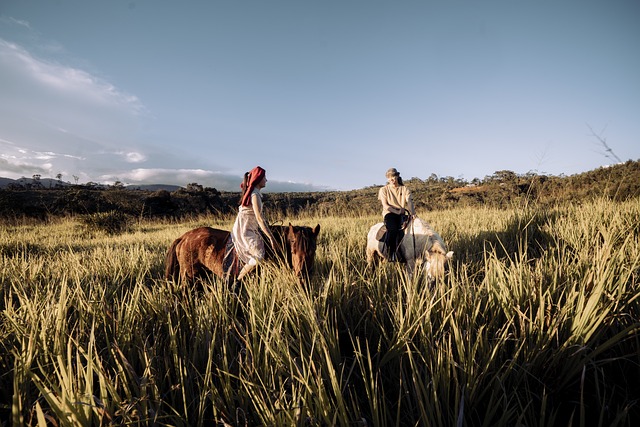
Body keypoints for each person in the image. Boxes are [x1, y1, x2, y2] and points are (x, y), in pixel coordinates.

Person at [231, 166, 277, 281]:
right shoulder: (255, 195)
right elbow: (259, 218)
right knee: (258, 257)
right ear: (258, 179)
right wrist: (271, 237)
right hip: (246, 229)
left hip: (249, 226)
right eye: (264, 177)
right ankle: (237, 282)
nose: (266, 180)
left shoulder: (254, 193)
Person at [378, 167, 415, 262]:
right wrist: (397, 211)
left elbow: (409, 201)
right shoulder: (383, 190)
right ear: (387, 179)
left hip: (402, 214)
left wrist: (412, 213)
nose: (392, 179)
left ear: (397, 177)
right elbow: (385, 205)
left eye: (393, 177)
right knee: (393, 230)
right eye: (389, 177)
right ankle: (391, 253)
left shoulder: (404, 189)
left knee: (412, 229)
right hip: (389, 213)